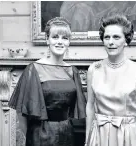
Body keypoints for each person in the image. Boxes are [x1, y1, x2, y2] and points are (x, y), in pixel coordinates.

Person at [9, 17, 86, 146]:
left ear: (69, 42)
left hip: (67, 134)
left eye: (65, 38)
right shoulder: (33, 69)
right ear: (47, 40)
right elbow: (21, 114)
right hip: (40, 135)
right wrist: (32, 137)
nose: (60, 42)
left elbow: (78, 110)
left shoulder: (73, 71)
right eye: (55, 37)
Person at [86, 14, 136, 146]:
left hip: (127, 134)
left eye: (116, 37)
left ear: (126, 40)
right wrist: (88, 140)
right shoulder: (94, 69)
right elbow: (90, 107)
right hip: (99, 134)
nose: (111, 42)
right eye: (107, 37)